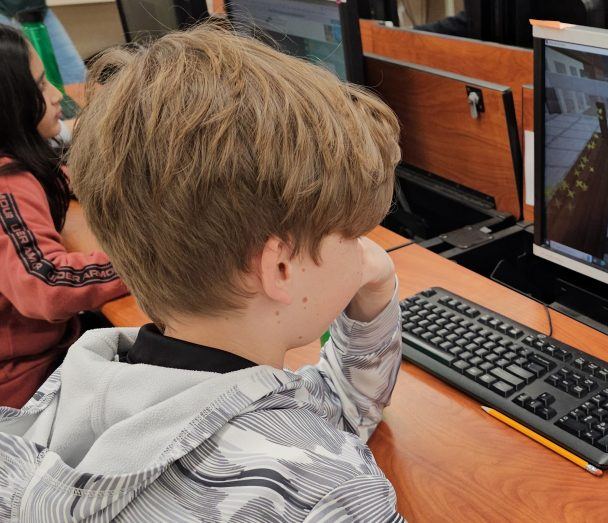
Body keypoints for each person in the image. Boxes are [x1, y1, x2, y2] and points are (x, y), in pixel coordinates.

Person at [0, 23, 404, 520]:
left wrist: (373, 298)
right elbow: (320, 453)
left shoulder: (66, 398)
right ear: (280, 267)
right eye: (352, 233)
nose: (364, 250)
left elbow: (326, 417)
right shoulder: (330, 492)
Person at [0, 24, 127, 409]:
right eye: (40, 86)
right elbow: (48, 284)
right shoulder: (8, 185)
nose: (56, 95)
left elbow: (65, 179)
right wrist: (148, 260)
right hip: (25, 384)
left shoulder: (24, 163)